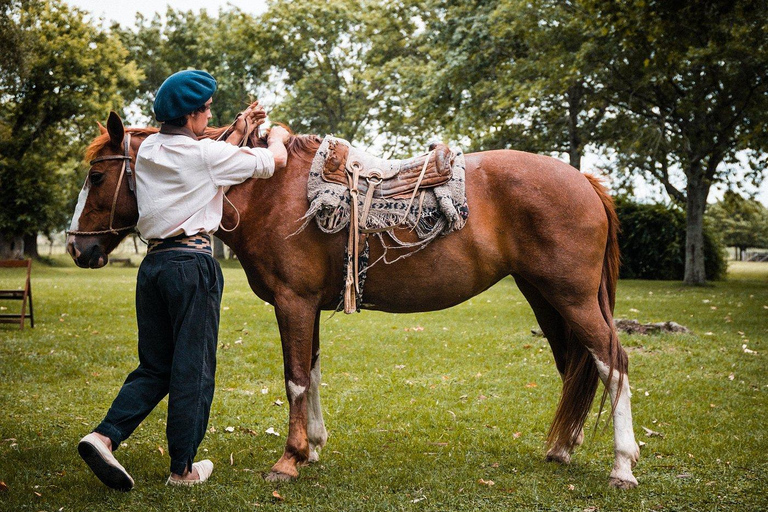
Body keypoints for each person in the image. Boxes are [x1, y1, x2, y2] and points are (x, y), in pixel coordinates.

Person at [77, 69, 291, 490]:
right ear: (193, 115)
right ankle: (182, 469)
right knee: (193, 369)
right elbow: (274, 162)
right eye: (206, 110)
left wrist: (239, 127)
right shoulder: (204, 157)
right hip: (192, 267)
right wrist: (277, 134)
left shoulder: (151, 148)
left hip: (154, 268)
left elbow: (208, 157)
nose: (208, 115)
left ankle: (103, 437)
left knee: (155, 366)